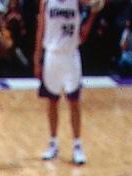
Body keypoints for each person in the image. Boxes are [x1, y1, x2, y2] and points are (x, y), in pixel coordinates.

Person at [36, 0, 94, 165]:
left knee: (74, 102)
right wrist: (36, 59)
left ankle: (77, 146)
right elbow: (41, 29)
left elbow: (82, 36)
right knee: (52, 101)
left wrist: (93, 15)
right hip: (51, 55)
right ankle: (53, 143)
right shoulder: (46, 2)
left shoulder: (78, 2)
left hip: (70, 55)